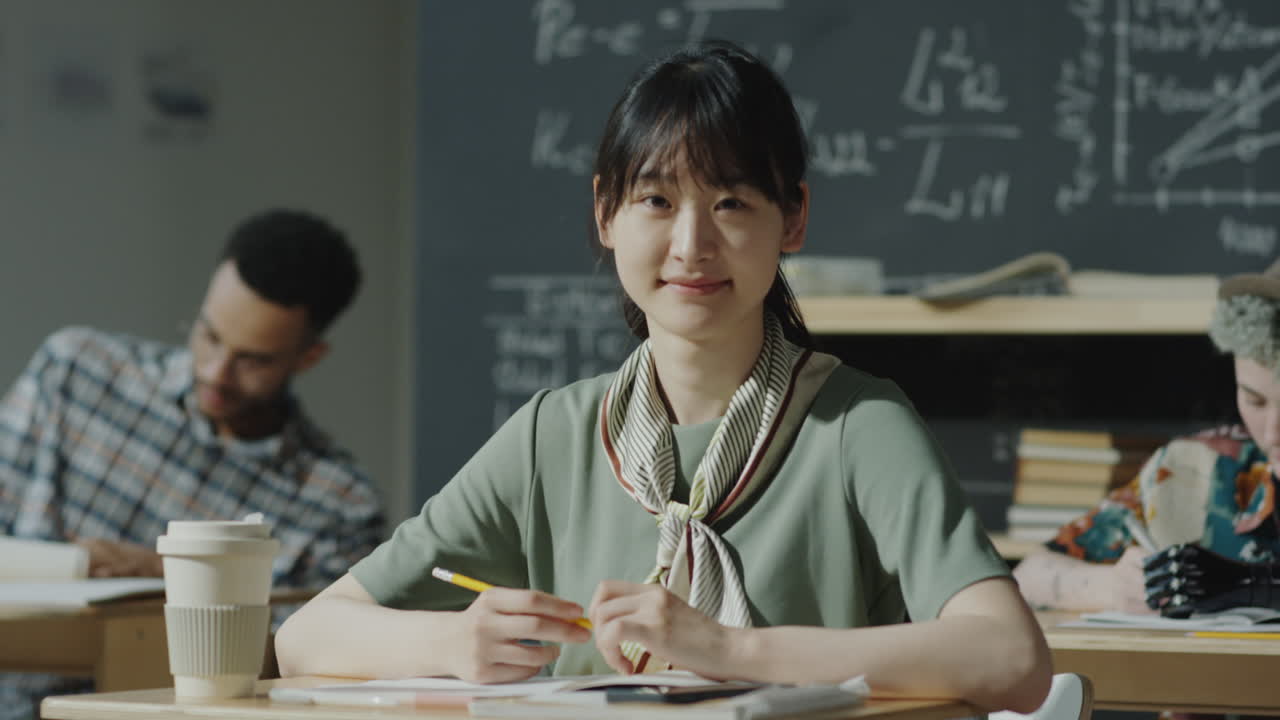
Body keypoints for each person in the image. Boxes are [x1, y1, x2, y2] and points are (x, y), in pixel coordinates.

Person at [275, 41, 1051, 712]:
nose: (691, 245)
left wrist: (726, 649)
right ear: (606, 214)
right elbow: (306, 638)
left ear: (794, 218)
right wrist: (453, 639)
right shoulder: (557, 435)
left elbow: (1013, 661)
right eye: (655, 198)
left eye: (731, 202)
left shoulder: (856, 424)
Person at [0, 209, 385, 720]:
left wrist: (179, 573)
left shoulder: (337, 503)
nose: (216, 372)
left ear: (308, 357)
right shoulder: (76, 375)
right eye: (209, 335)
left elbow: (312, 668)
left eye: (253, 360)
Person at [1013, 258, 1280, 617]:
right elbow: (1030, 576)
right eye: (1254, 400)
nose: (1272, 432)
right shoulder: (1195, 470)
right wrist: (1114, 586)